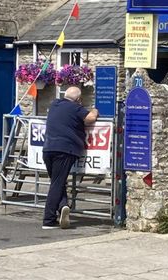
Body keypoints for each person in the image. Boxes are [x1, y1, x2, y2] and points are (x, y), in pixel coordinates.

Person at [41, 85, 98, 229]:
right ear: (78, 99)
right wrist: (95, 110)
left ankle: (63, 206)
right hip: (65, 149)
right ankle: (48, 219)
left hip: (48, 149)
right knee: (57, 184)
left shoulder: (54, 104)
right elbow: (90, 118)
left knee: (57, 181)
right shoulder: (76, 108)